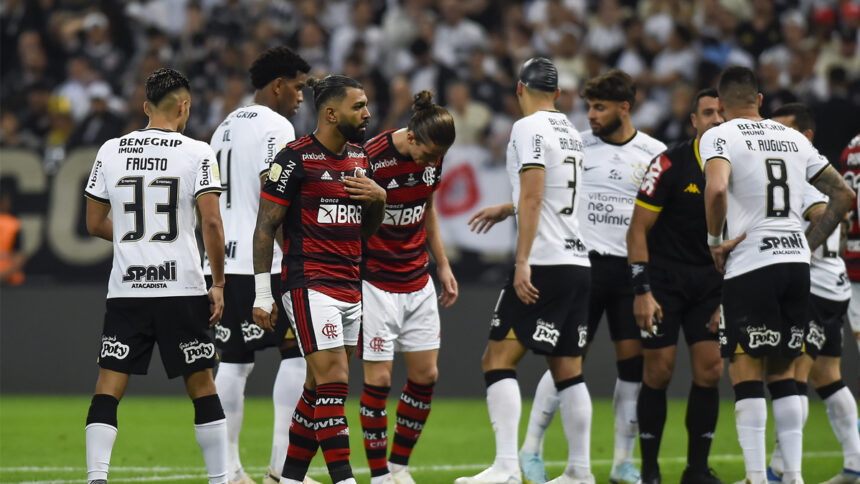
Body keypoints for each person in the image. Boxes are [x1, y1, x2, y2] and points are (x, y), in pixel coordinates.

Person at [700, 66, 854, 484]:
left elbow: (715, 190)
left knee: (746, 371)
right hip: (795, 266)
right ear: (760, 101)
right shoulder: (791, 138)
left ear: (720, 104)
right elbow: (843, 194)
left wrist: (715, 239)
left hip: (751, 262)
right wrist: (807, 243)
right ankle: (795, 478)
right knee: (785, 373)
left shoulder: (719, 135)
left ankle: (756, 477)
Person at [516, 69, 667, 484]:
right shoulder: (576, 145)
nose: (591, 115)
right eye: (588, 106)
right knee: (567, 358)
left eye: (599, 107)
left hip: (630, 273)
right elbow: (543, 194)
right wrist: (506, 209)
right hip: (583, 264)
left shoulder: (655, 154)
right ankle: (531, 448)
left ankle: (622, 460)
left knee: (631, 366)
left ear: (624, 107)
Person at [82, 68, 228, 484]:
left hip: (127, 289)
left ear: (145, 108)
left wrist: (130, 238)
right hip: (181, 287)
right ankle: (220, 479)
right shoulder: (197, 152)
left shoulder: (110, 150)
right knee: (202, 385)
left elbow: (94, 222)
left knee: (108, 385)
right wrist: (217, 282)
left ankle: (97, 477)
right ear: (184, 106)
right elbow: (213, 224)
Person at [459, 57, 594, 484]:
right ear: (557, 93)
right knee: (567, 369)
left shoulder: (527, 127)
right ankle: (579, 471)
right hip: (577, 260)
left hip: (544, 261)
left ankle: (505, 467)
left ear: (520, 89)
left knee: (497, 358)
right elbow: (554, 195)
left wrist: (521, 261)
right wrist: (506, 207)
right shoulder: (570, 133)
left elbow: (536, 197)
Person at [251, 75, 386, 484]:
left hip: (349, 283)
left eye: (365, 105)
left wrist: (378, 199)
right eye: (358, 106)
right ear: (331, 113)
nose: (367, 113)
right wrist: (262, 293)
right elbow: (264, 227)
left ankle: (289, 478)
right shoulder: (293, 159)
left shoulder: (361, 160)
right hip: (309, 282)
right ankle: (343, 479)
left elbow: (363, 232)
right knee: (334, 381)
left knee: (316, 387)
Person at [204, 45, 319, 484]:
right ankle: (281, 468)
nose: (300, 96)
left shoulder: (224, 126)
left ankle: (230, 471)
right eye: (298, 86)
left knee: (234, 364)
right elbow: (275, 197)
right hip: (266, 262)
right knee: (296, 359)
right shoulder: (278, 127)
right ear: (278, 85)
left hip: (227, 263)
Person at [358, 90, 458, 484]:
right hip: (376, 282)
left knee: (426, 375)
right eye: (429, 153)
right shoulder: (372, 157)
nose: (432, 163)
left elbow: (427, 208)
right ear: (411, 137)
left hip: (417, 279)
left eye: (438, 157)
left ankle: (400, 466)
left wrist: (443, 263)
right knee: (379, 381)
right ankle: (380, 474)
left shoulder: (433, 156)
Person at [626, 88, 725, 484]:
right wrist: (642, 291)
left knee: (711, 371)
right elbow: (637, 230)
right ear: (695, 121)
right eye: (708, 114)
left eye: (721, 113)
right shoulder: (669, 163)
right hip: (664, 283)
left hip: (710, 284)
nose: (717, 120)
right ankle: (649, 469)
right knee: (659, 372)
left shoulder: (741, 165)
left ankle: (696, 470)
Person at [766, 104, 860, 484]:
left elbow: (826, 213)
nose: (771, 138)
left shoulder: (802, 175)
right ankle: (855, 464)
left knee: (791, 375)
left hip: (813, 287)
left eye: (781, 131)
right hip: (835, 284)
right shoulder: (824, 170)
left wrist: (800, 247)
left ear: (804, 137)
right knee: (828, 377)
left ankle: (781, 470)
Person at [0, 180, 26, 286]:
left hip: (9, 282)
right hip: (9, 281)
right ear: (5, 201)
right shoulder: (13, 225)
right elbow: (20, 256)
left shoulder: (12, 225)